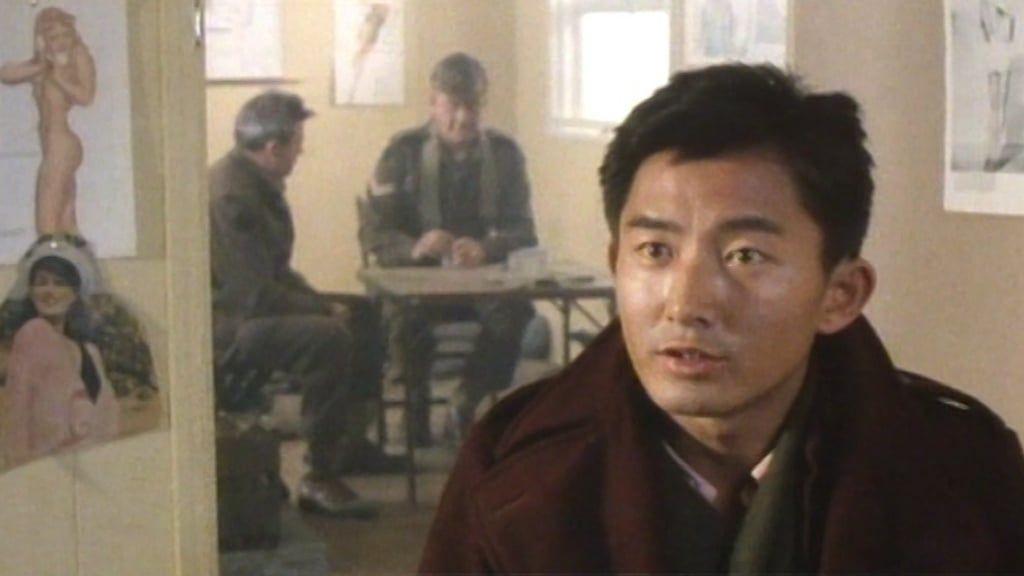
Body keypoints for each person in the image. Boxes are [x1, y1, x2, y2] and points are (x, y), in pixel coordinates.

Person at [419, 64, 1024, 573]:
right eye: (655, 250)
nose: (686, 304)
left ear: (841, 294)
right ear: (615, 263)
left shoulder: (964, 473)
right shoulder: (515, 469)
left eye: (745, 256)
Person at [209, 90, 381, 517]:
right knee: (328, 338)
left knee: (362, 313)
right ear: (273, 148)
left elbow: (276, 272)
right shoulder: (233, 195)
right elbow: (253, 294)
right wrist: (320, 310)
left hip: (247, 310)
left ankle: (348, 445)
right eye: (297, 143)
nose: (301, 152)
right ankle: (319, 476)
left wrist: (319, 301)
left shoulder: (253, 182)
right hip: (227, 324)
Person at [362, 52, 537, 441]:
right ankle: (415, 408)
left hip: (482, 282)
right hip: (418, 284)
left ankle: (467, 397)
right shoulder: (402, 153)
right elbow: (376, 234)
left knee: (516, 313)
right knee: (402, 319)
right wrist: (416, 247)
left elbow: (525, 231)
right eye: (453, 106)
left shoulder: (505, 155)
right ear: (433, 103)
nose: (463, 118)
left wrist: (488, 248)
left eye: (472, 106)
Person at [2, 240, 118, 468]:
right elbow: (18, 409)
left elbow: (108, 417)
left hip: (92, 467)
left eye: (59, 283)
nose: (49, 292)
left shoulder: (90, 353)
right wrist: (19, 469)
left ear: (74, 293)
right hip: (45, 470)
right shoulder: (33, 333)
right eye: (41, 283)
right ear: (31, 292)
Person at [0, 7, 96, 237]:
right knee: (65, 222)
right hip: (52, 147)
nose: (61, 42)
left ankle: (53, 259)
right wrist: (42, 64)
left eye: (65, 35)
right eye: (53, 37)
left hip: (62, 146)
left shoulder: (77, 56)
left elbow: (86, 96)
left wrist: (59, 78)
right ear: (42, 39)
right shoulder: (44, 65)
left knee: (46, 224)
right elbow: (6, 74)